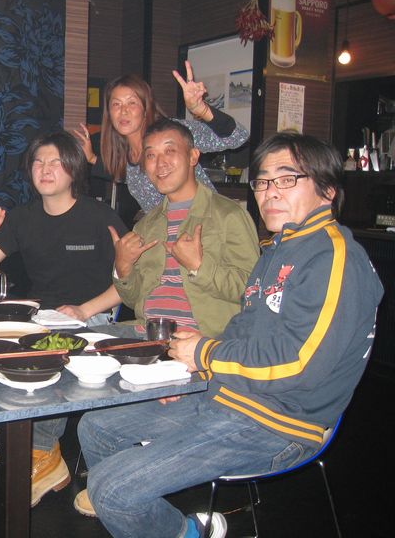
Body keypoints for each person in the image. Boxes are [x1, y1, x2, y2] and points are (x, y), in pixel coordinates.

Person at [74, 133, 383, 538]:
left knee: (111, 490)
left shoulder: (332, 256)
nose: (270, 192)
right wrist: (196, 372)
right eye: (263, 181)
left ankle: (181, 529)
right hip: (227, 395)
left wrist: (204, 354)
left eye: (286, 179)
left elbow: (299, 363)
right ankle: (142, 518)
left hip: (278, 421)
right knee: (95, 427)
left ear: (327, 190)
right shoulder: (278, 249)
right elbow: (242, 329)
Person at [0, 130, 127, 506]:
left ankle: (40, 452)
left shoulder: (99, 216)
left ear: (74, 169)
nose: (45, 169)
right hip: (40, 318)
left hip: (92, 318)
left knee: (46, 355)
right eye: (38, 162)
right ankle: (7, 427)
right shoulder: (23, 217)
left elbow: (130, 283)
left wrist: (84, 309)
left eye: (55, 162)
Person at [60, 119, 259, 336]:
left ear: (193, 156)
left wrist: (198, 267)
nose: (160, 163)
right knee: (70, 342)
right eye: (151, 156)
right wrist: (123, 267)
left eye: (170, 151)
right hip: (146, 332)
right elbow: (133, 299)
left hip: (200, 339)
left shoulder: (229, 215)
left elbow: (253, 290)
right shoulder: (147, 225)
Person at [73, 61, 249, 217]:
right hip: (170, 237)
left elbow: (238, 137)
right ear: (109, 114)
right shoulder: (128, 156)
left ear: (145, 108)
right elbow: (126, 175)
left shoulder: (171, 132)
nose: (123, 111)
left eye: (132, 102)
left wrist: (201, 110)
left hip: (208, 228)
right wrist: (92, 158)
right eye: (116, 104)